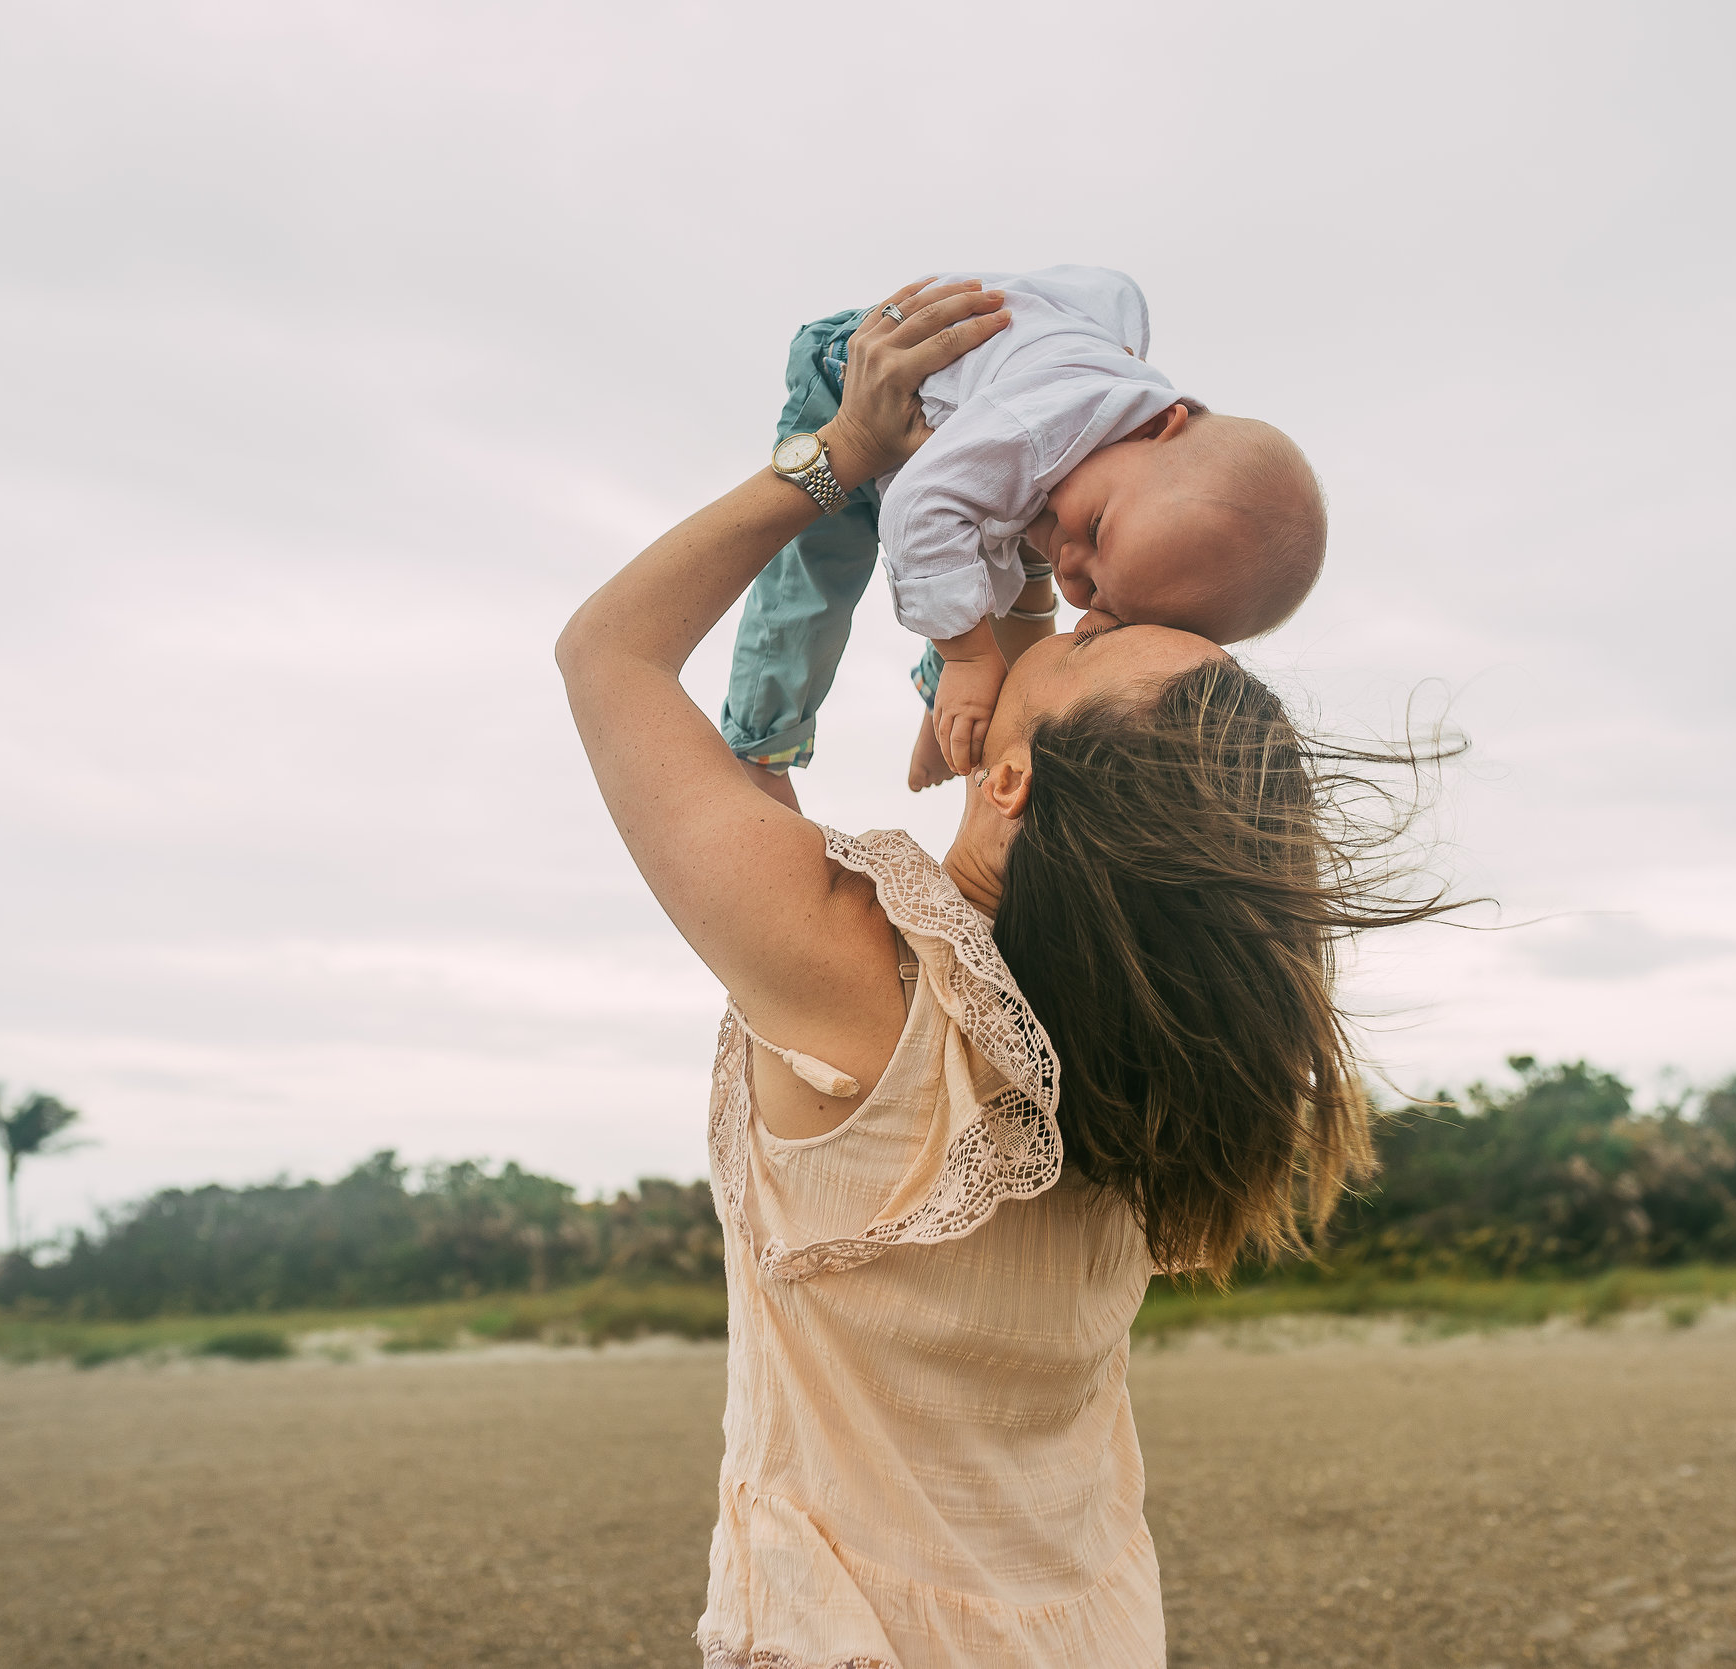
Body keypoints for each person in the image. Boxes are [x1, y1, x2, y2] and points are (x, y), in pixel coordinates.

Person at [557, 279, 1450, 1669]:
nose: (1081, 608)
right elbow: (772, 767)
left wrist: (834, 459)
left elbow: (606, 652)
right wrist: (1000, 541)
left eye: (1094, 638)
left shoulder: (859, 982)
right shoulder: (1126, 1071)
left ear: (1015, 779)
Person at [717, 265, 1328, 802]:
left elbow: (1117, 291)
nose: (1068, 561)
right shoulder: (1036, 427)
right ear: (1159, 426)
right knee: (816, 578)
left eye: (1093, 595)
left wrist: (1080, 332)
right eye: (1096, 528)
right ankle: (761, 744)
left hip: (956, 433)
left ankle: (950, 713)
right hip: (850, 371)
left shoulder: (1114, 418)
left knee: (998, 551)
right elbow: (917, 506)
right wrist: (968, 657)